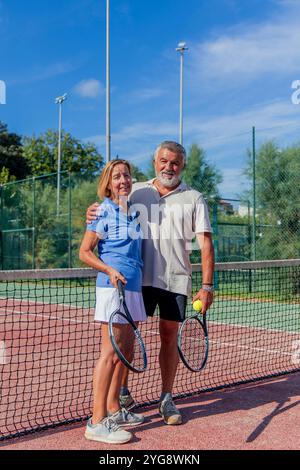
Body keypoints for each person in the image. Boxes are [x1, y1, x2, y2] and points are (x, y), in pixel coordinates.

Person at [86, 141, 214, 426]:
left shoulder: (194, 197)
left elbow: (206, 243)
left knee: (168, 339)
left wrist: (206, 287)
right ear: (156, 162)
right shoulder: (136, 190)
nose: (169, 167)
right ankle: (119, 396)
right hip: (136, 281)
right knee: (125, 343)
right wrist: (92, 212)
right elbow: (109, 207)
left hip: (175, 281)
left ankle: (166, 398)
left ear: (183, 166)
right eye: (164, 161)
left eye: (176, 162)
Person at [79, 159, 147, 444]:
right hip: (113, 288)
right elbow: (84, 252)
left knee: (126, 353)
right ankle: (96, 422)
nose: (123, 180)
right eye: (117, 177)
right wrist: (108, 269)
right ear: (108, 183)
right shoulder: (102, 211)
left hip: (133, 288)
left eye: (127, 176)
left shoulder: (135, 211)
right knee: (110, 354)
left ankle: (113, 408)